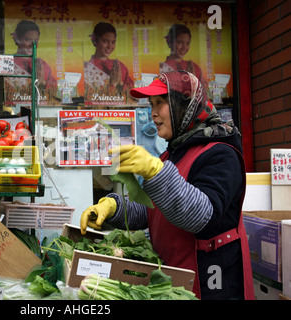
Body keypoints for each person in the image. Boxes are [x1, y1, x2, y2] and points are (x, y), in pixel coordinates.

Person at [80, 70, 254, 300]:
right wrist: (112, 207)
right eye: (151, 104)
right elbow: (151, 210)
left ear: (185, 106)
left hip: (213, 281)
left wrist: (155, 172)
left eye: (160, 103)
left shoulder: (221, 153)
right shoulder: (170, 155)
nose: (153, 113)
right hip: (175, 280)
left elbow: (203, 216)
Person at [85, 22, 134, 98]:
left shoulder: (120, 66)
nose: (110, 46)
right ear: (95, 41)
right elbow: (91, 99)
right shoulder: (87, 68)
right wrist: (113, 84)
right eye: (105, 41)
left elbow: (131, 96)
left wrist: (120, 83)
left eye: (113, 42)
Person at [9, 20, 57, 93]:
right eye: (27, 39)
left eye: (36, 41)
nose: (32, 45)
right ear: (17, 39)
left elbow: (54, 93)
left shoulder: (43, 66)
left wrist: (43, 84)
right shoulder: (9, 63)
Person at [160, 23, 208, 94]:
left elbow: (204, 92)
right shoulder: (162, 67)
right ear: (169, 42)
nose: (184, 47)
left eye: (187, 43)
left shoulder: (194, 67)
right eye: (180, 42)